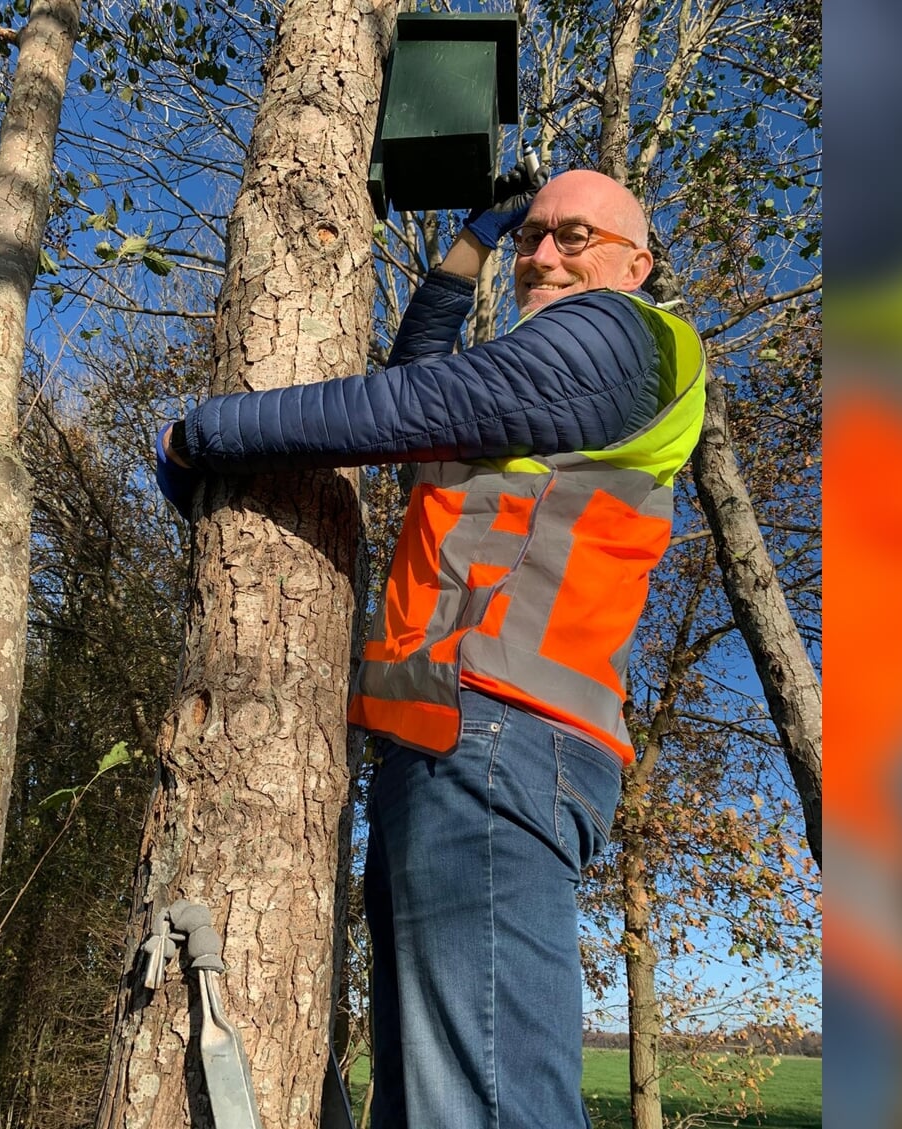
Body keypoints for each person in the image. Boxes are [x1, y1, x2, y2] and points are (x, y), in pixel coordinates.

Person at [154, 167, 708, 1129]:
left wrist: (206, 432)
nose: (545, 254)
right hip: (459, 741)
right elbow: (423, 378)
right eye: (534, 236)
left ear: (637, 262)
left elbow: (402, 406)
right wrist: (474, 240)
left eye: (573, 236)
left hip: (504, 738)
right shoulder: (529, 408)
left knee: (484, 1109)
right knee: (427, 1106)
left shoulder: (628, 339)